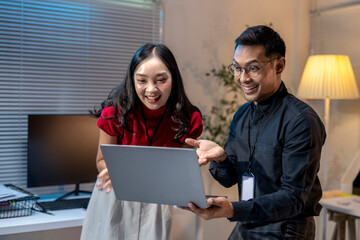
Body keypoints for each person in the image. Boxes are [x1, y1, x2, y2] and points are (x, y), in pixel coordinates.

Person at [184, 25, 326, 239]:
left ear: (279, 66)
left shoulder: (301, 121)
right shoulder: (242, 115)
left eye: (253, 68)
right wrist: (221, 157)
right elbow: (229, 178)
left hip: (287, 227)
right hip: (249, 221)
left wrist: (233, 209)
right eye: (237, 68)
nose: (243, 78)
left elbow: (293, 199)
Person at [80, 43, 203, 240]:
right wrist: (119, 173)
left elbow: (182, 171)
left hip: (158, 199)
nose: (151, 89)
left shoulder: (188, 119)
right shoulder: (115, 112)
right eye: (142, 81)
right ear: (132, 80)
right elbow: (101, 161)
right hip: (116, 195)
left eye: (161, 80)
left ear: (173, 79)